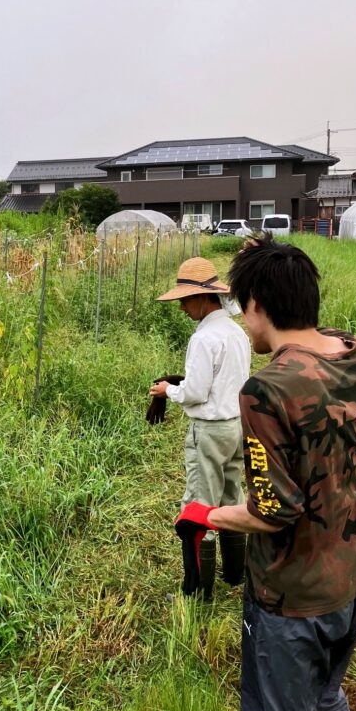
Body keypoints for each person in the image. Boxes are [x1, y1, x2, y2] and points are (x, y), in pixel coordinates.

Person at [175, 237, 356, 711]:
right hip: (353, 575)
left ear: (259, 303)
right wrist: (267, 259)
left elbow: (273, 512)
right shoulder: (349, 353)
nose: (243, 318)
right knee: (326, 697)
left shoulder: (267, 390)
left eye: (246, 305)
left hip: (294, 598)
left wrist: (207, 514)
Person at [150, 256, 251, 598]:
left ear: (204, 298)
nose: (182, 308)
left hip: (208, 431)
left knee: (199, 506)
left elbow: (195, 392)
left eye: (185, 300)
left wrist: (168, 390)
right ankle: (235, 574)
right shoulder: (237, 333)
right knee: (231, 498)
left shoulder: (204, 338)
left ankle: (197, 591)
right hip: (236, 426)